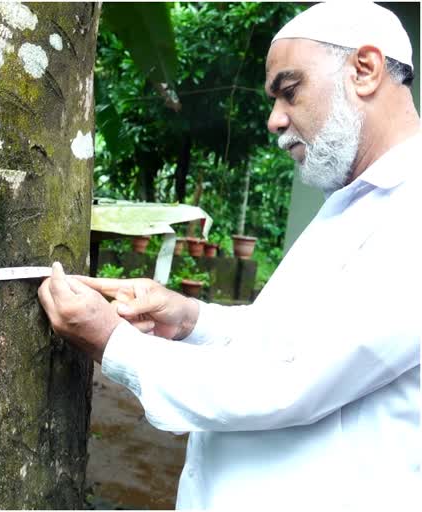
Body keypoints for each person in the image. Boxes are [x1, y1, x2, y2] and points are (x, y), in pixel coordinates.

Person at [38, 2, 420, 509]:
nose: (274, 120)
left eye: (290, 91)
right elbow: (288, 337)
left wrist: (114, 343)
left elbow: (289, 381)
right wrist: (189, 317)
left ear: (365, 70)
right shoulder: (355, 202)